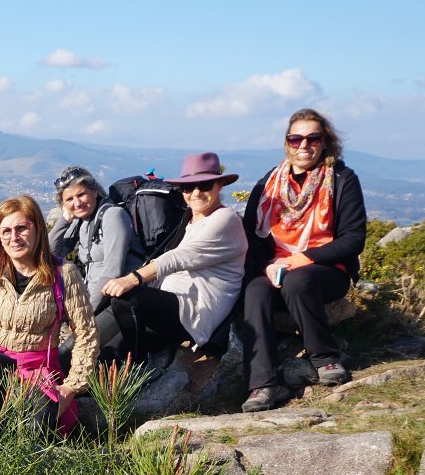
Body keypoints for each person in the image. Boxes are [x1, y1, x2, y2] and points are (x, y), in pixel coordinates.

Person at [237, 109, 368, 411]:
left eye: (313, 138)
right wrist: (266, 266)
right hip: (277, 269)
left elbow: (353, 239)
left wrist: (303, 258)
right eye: (296, 138)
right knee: (255, 291)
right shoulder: (270, 182)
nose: (304, 145)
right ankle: (262, 385)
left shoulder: (342, 179)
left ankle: (325, 357)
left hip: (327, 270)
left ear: (325, 142)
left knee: (297, 280)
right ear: (287, 142)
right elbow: (251, 235)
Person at [0, 196, 98, 435]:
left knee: (31, 431)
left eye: (21, 228)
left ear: (37, 228)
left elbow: (86, 332)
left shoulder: (63, 274)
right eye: (5, 231)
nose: (13, 237)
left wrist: (72, 387)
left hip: (37, 375)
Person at [100, 153, 245, 370]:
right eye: (188, 187)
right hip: (172, 307)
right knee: (106, 357)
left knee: (127, 299)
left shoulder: (226, 219)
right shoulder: (191, 220)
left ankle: (139, 368)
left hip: (195, 313)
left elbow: (181, 257)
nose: (196, 193)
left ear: (220, 185)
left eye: (205, 185)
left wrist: (133, 278)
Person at [47, 166, 141, 348]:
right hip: (95, 302)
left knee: (69, 353)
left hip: (118, 302)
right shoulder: (82, 222)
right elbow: (51, 253)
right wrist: (65, 219)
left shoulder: (113, 216)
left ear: (95, 191)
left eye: (81, 194)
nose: (77, 203)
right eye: (69, 199)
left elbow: (112, 273)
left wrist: (84, 315)